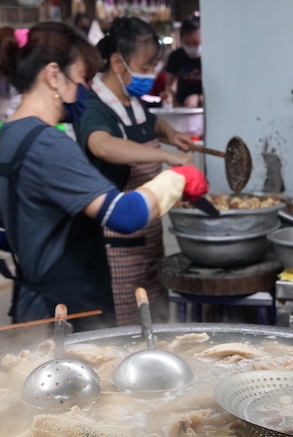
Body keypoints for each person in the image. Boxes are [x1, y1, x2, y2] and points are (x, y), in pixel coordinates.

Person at [0, 22, 207, 329]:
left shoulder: (8, 139)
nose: (87, 90)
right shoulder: (48, 144)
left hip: (30, 306)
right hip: (68, 314)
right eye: (83, 78)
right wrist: (179, 178)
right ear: (53, 76)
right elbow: (125, 215)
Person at [75, 16, 195, 325]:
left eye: (153, 66)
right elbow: (103, 146)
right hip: (117, 242)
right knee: (128, 325)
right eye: (144, 68)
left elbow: (152, 122)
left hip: (149, 234)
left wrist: (171, 134)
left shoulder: (133, 101)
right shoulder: (94, 106)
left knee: (153, 317)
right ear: (117, 62)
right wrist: (166, 157)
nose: (149, 74)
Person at [164, 16, 202, 108]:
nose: (191, 47)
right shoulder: (176, 57)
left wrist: (198, 98)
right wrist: (169, 94)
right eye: (187, 43)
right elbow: (170, 85)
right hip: (182, 106)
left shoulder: (211, 58)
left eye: (195, 43)